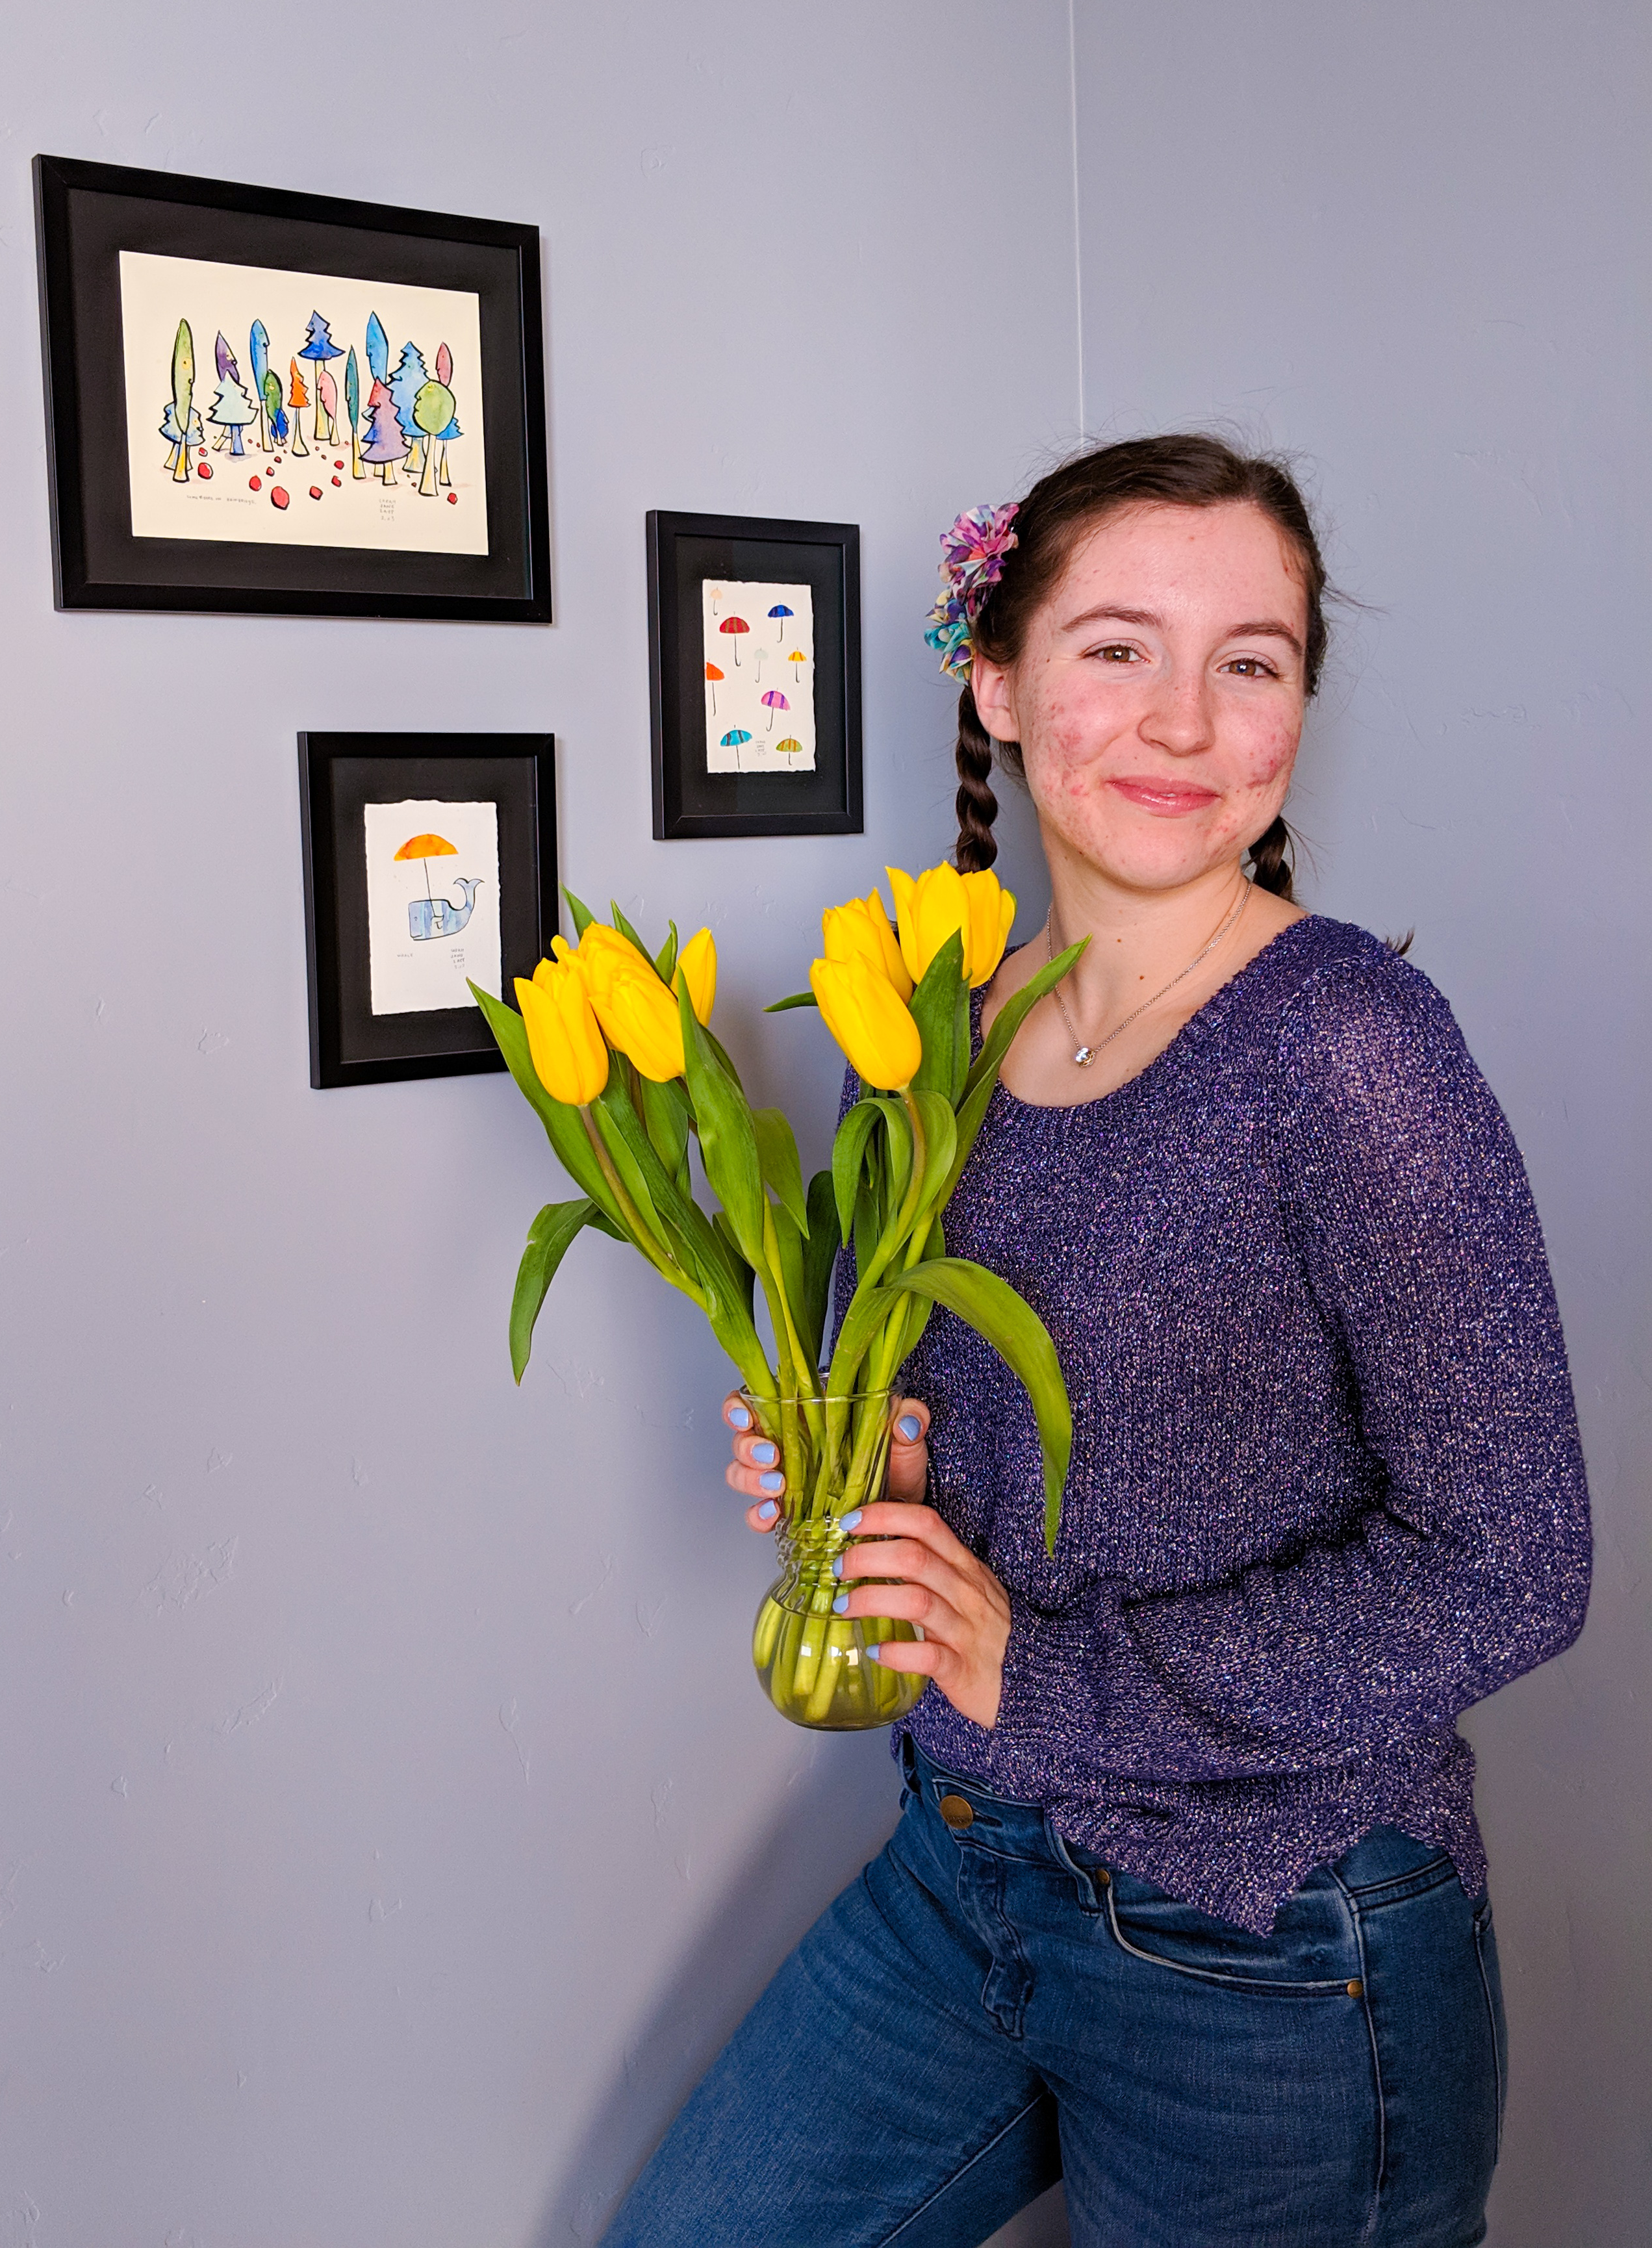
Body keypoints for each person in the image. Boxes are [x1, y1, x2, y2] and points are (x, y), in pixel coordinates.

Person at [603, 436, 1590, 2248]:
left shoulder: (1349, 1046)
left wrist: (1038, 1677)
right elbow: (957, 1419)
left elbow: (1513, 1563)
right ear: (997, 676)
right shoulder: (922, 1031)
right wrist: (868, 1470)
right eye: (1118, 647)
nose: (1189, 723)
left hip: (1280, 1939)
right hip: (967, 1864)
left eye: (1253, 661)